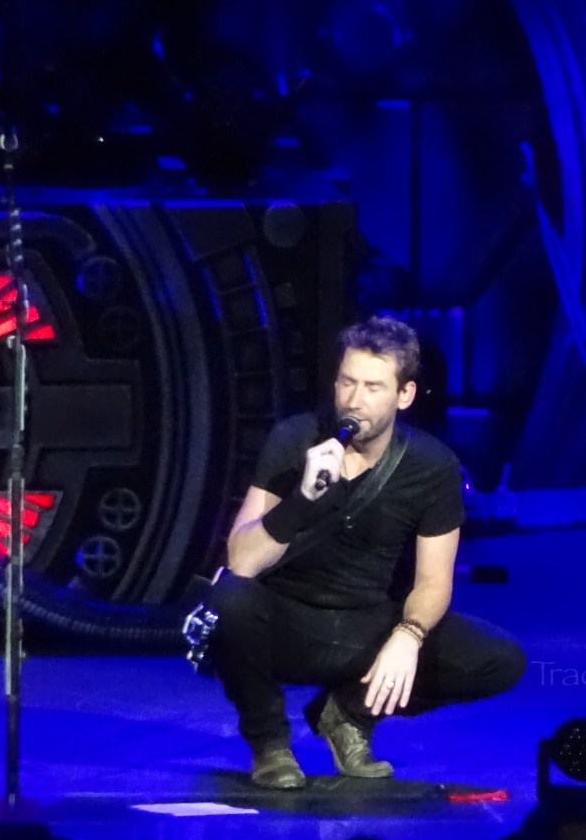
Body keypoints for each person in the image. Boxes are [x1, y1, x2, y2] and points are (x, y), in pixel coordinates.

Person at [211, 315, 525, 788]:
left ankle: (347, 715)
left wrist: (409, 634)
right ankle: (270, 745)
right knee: (230, 601)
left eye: (373, 387)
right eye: (346, 382)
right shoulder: (295, 440)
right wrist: (300, 500)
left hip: (365, 627)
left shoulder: (431, 466)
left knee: (498, 659)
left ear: (404, 395)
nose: (354, 400)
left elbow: (435, 583)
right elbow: (241, 561)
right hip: (286, 624)